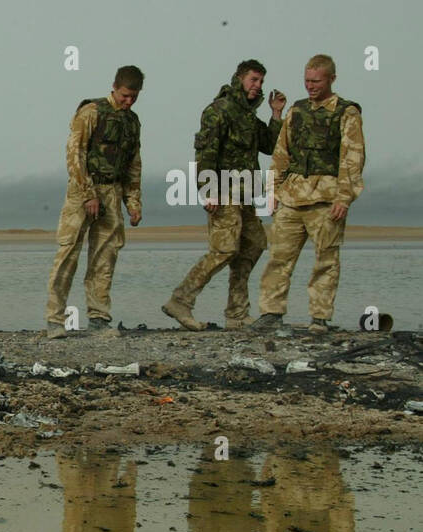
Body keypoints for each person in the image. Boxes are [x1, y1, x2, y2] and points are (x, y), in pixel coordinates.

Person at [162, 60, 285, 331]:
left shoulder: (248, 114)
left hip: (246, 194)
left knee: (254, 244)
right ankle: (180, 301)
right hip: (223, 191)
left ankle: (237, 313)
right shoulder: (219, 110)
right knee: (224, 249)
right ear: (239, 78)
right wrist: (208, 191)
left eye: (261, 81)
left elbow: (268, 145)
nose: (258, 86)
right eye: (253, 80)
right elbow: (206, 152)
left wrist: (276, 115)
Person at [252, 54, 365, 334]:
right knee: (278, 257)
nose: (310, 86)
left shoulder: (346, 112)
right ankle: (270, 313)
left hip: (326, 200)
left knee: (326, 261)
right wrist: (272, 192)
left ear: (331, 79)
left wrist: (344, 197)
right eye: (307, 81)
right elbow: (281, 153)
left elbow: (352, 157)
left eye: (316, 81)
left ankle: (319, 318)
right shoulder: (296, 111)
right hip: (291, 197)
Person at [44, 66, 144, 339]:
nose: (128, 101)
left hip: (112, 191)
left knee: (105, 257)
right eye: (125, 95)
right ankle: (55, 319)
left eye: (134, 97)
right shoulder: (91, 112)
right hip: (83, 190)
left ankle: (99, 318)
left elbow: (133, 164)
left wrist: (133, 202)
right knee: (68, 253)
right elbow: (74, 154)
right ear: (114, 87)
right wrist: (88, 193)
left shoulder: (132, 122)